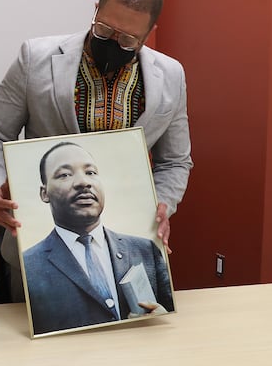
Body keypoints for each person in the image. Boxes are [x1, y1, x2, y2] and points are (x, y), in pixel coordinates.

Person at [0, 0, 192, 302]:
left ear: (150, 33)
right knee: (31, 351)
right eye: (105, 29)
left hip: (129, 250)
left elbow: (175, 161)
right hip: (39, 247)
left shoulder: (171, 76)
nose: (113, 43)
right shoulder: (35, 58)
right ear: (95, 10)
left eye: (128, 40)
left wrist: (163, 203)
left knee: (129, 346)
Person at [23, 141, 173, 335]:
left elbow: (168, 313)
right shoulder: (29, 266)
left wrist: (161, 320)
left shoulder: (144, 250)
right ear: (44, 193)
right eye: (65, 175)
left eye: (91, 172)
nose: (83, 182)